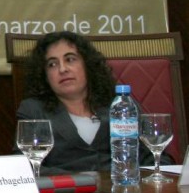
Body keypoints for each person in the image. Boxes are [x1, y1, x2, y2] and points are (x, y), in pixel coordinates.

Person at [16, 31, 171, 174]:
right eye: (52, 64)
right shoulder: (33, 110)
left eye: (70, 59)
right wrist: (81, 180)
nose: (63, 69)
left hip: (123, 192)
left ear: (87, 65)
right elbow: (23, 167)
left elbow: (157, 158)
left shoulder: (120, 105)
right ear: (44, 74)